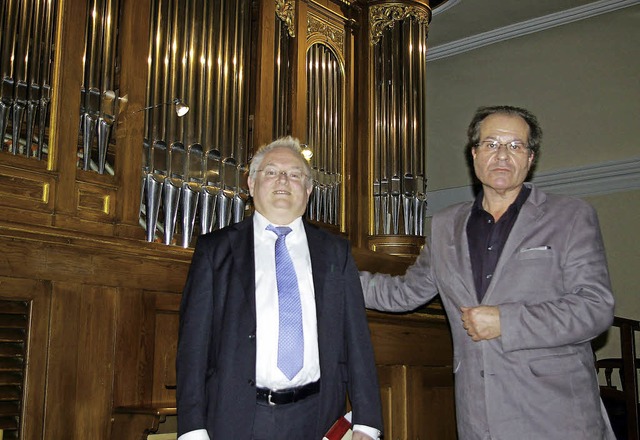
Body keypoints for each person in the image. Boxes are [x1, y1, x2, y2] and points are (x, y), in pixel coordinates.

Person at [360, 105, 616, 440]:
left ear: (530, 158)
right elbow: (403, 293)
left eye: (515, 146)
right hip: (479, 416)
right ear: (474, 154)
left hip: (556, 414)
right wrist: (323, 276)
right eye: (492, 144)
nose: (502, 156)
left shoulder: (570, 216)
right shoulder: (443, 225)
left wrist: (506, 322)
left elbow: (594, 308)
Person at [176, 136, 383, 440]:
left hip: (319, 419)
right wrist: (192, 429)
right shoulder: (215, 250)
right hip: (237, 421)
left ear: (309, 189)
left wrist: (367, 421)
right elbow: (193, 348)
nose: (283, 179)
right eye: (271, 171)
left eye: (295, 174)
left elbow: (357, 341)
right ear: (250, 183)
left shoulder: (335, 253)